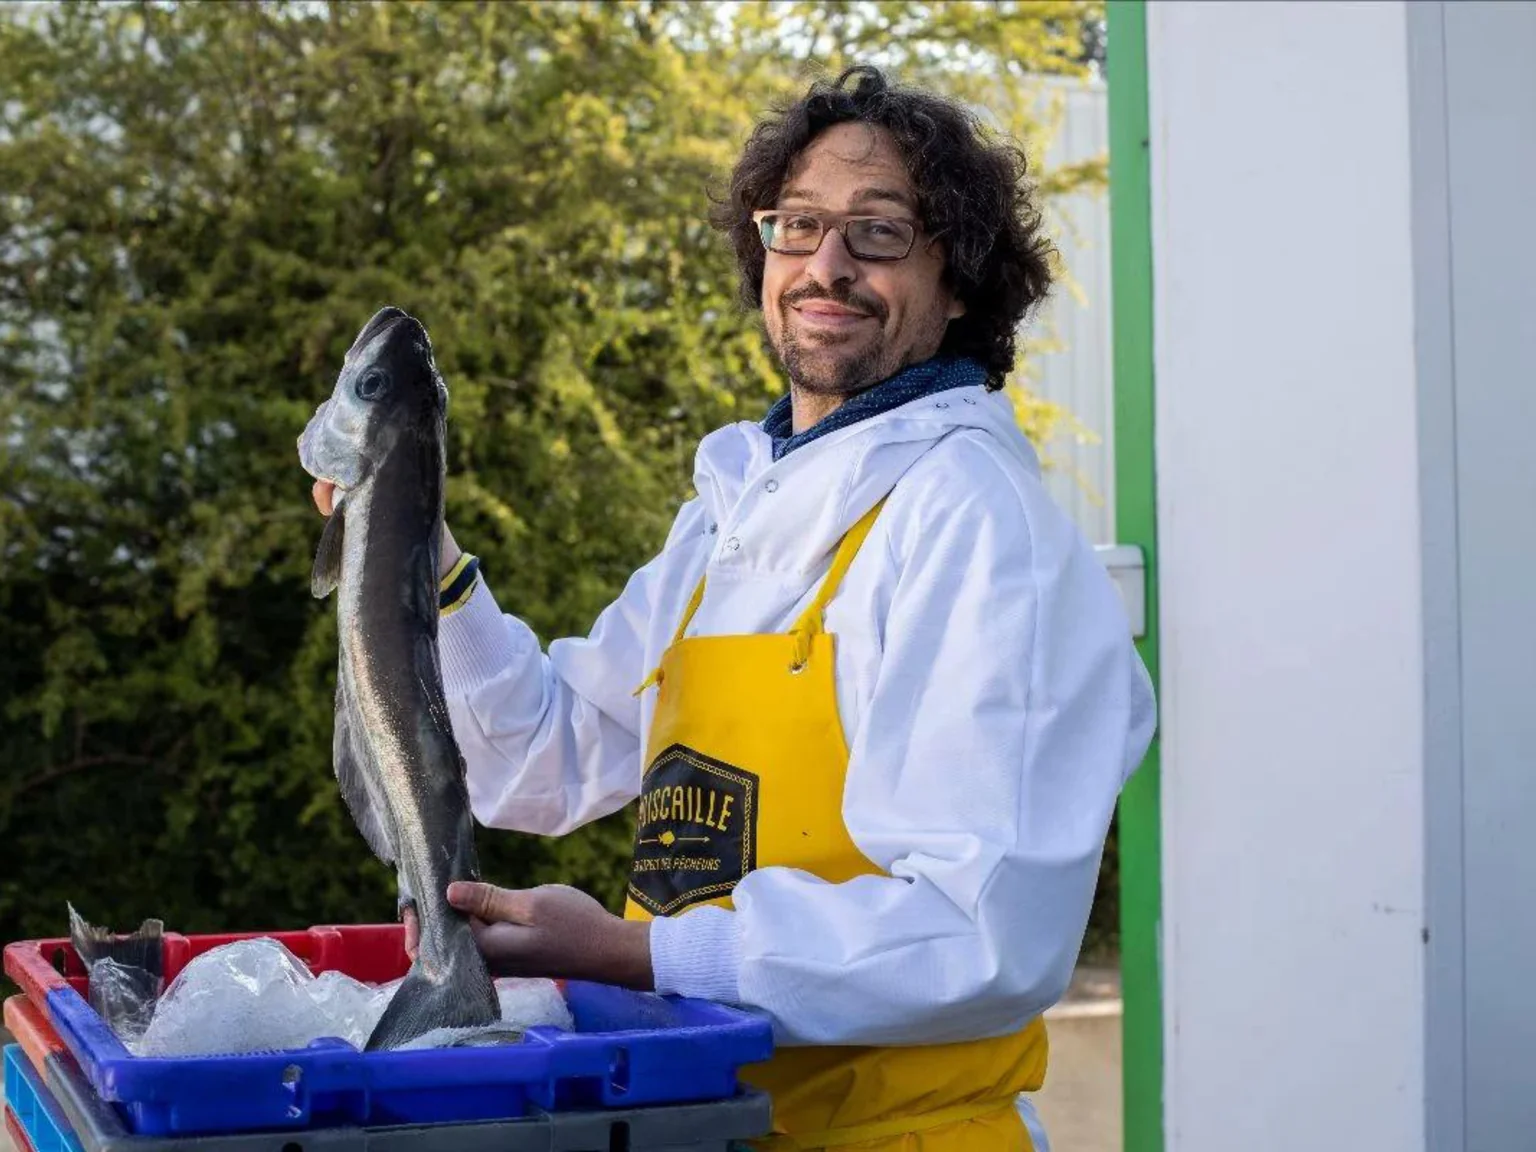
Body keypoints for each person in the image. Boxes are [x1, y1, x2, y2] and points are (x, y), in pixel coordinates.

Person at [312, 65, 1155, 1152]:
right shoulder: (736, 511)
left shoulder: (981, 527)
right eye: (797, 225)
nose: (826, 265)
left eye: (880, 232)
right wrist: (422, 554)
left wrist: (640, 954)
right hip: (704, 1124)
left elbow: (980, 935)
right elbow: (543, 759)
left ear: (960, 283)